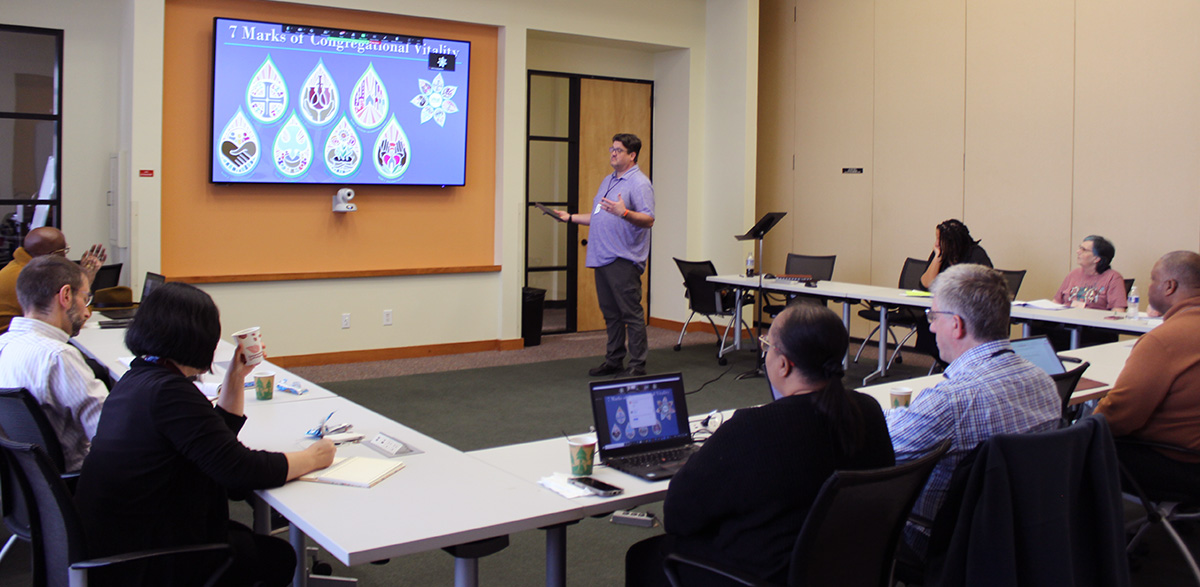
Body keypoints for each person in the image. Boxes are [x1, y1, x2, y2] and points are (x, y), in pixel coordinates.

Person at [75, 282, 336, 586]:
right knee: (276, 556)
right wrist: (312, 458)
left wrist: (235, 377)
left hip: (117, 542)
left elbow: (209, 445)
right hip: (148, 558)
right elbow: (239, 472)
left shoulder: (139, 379)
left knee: (247, 540)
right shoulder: (170, 393)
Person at [624, 303, 894, 586]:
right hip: (849, 569)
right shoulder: (869, 411)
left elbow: (679, 516)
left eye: (767, 345)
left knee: (645, 556)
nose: (764, 353)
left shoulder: (752, 429)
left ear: (783, 363)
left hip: (765, 575)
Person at [887, 264, 1059, 558]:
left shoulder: (950, 401)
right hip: (1016, 534)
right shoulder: (1044, 382)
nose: (929, 326)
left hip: (937, 539)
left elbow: (881, 452)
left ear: (956, 324)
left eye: (933, 316)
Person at [1095, 250, 1200, 497]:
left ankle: (1094, 534)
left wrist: (1080, 428)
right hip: (1191, 460)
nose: (1148, 287)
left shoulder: (1163, 341)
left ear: (1169, 287)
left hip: (1179, 464)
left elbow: (1119, 416)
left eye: (1152, 280)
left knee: (1076, 448)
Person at [553, 133, 655, 377]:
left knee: (631, 314)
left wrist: (625, 213)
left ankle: (637, 365)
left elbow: (649, 219)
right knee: (611, 315)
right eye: (612, 148)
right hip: (602, 257)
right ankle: (614, 360)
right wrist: (570, 218)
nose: (613, 153)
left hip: (623, 259)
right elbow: (598, 216)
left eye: (618, 150)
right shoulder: (608, 181)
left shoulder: (639, 183)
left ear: (632, 155)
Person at [0, 255, 108, 471]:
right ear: (66, 295)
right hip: (78, 482)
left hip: (30, 485)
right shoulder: (58, 357)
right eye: (85, 298)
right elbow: (109, 435)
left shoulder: (4, 345)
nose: (87, 312)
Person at [0, 226, 106, 333]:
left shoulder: (15, 268)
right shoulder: (36, 278)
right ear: (53, 255)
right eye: (64, 250)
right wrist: (86, 277)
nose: (65, 256)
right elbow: (74, 321)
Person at [914, 219, 992, 356]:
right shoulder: (941, 253)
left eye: (940, 239)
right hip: (946, 309)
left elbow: (982, 289)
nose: (936, 243)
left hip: (969, 312)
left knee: (945, 325)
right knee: (925, 324)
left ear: (952, 241)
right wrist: (937, 257)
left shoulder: (976, 254)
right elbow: (926, 284)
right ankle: (941, 360)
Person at [1037, 235, 1127, 349]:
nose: (1078, 252)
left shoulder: (1113, 278)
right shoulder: (1073, 274)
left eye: (1084, 250)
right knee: (1037, 328)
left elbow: (1118, 312)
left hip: (1093, 331)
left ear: (1097, 258)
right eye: (1080, 248)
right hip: (1065, 325)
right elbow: (1056, 302)